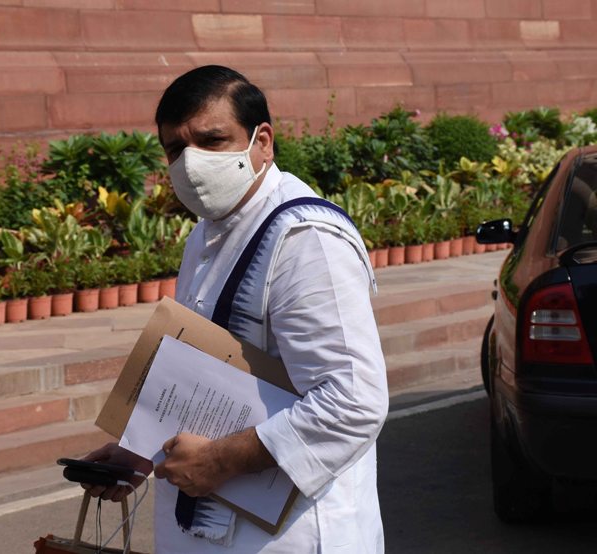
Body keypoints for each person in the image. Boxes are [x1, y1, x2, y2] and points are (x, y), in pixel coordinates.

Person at [80, 65, 389, 553]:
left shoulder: (305, 239)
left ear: (262, 142)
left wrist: (221, 460)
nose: (191, 163)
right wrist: (139, 451)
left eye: (212, 140)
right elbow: (208, 377)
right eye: (176, 149)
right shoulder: (209, 231)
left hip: (290, 535)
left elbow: (353, 402)